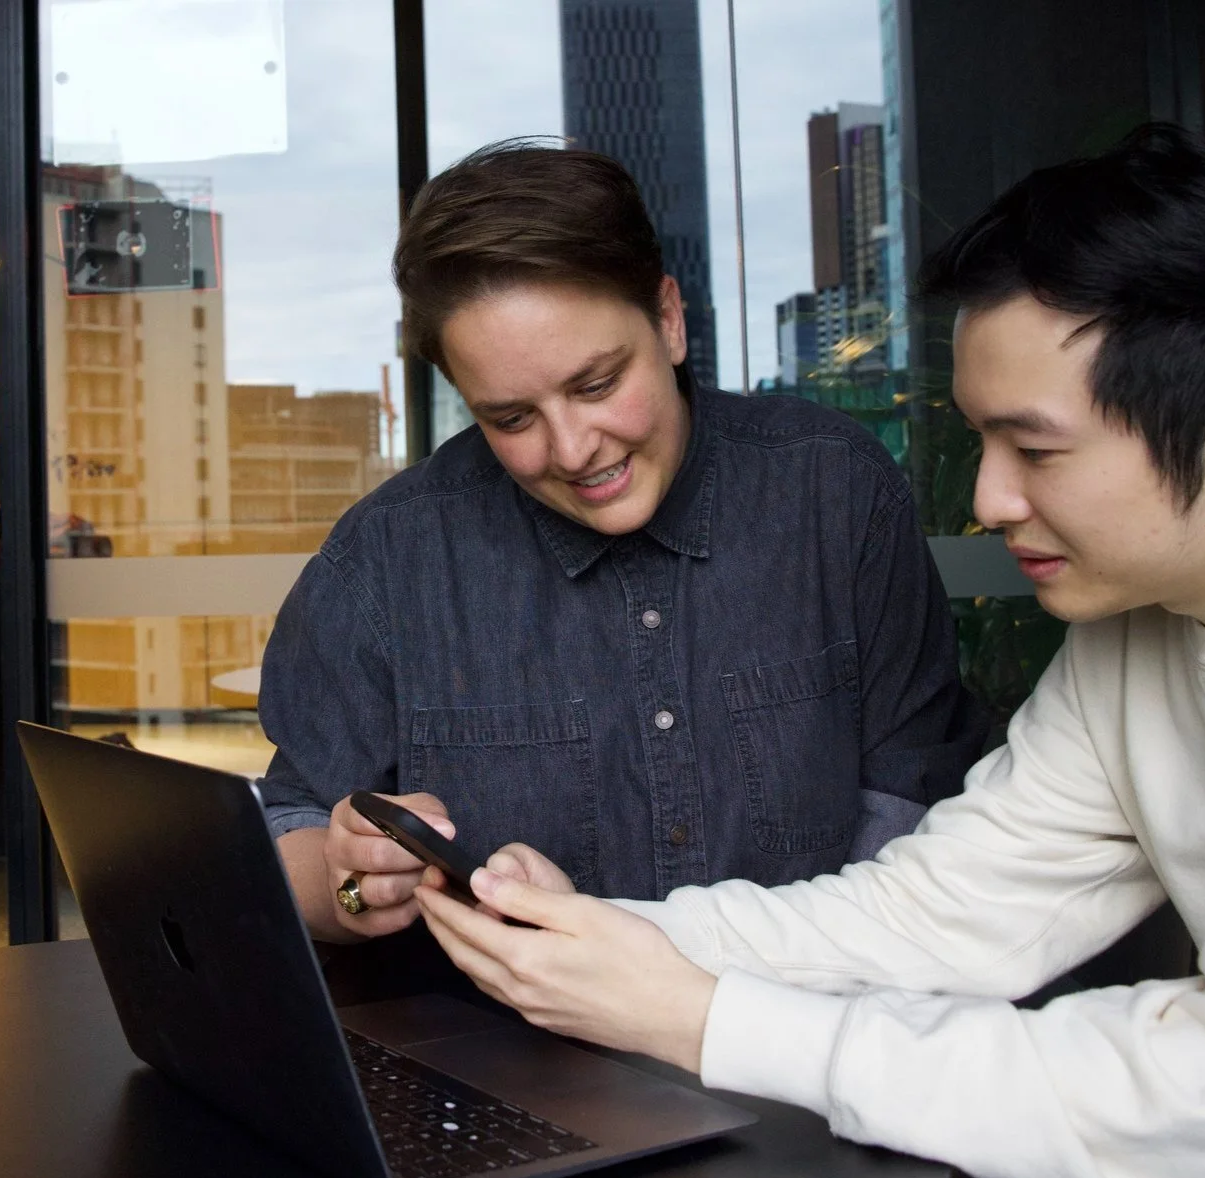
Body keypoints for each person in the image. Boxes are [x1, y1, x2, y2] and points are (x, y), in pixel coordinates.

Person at [412, 125, 1205, 1178]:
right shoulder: (1142, 633)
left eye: (1036, 449)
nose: (984, 498)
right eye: (981, 440)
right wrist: (605, 941)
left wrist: (704, 1018)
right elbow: (939, 916)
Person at [257, 141, 984, 946]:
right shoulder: (388, 557)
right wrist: (348, 887)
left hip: (810, 1034)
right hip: (501, 1060)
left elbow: (919, 805)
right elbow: (295, 826)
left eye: (597, 384)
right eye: (511, 418)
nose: (572, 450)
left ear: (669, 320)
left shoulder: (835, 492)